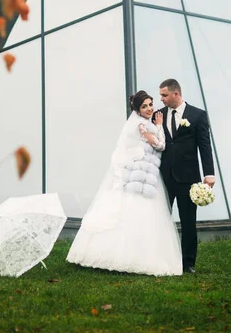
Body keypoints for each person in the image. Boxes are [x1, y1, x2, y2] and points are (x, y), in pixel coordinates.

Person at [67, 90, 182, 276]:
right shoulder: (141, 126)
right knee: (138, 213)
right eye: (144, 106)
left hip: (145, 176)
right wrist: (159, 125)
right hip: (140, 177)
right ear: (137, 109)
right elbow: (160, 145)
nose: (149, 109)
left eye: (150, 104)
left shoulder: (142, 124)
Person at [156, 78, 215, 274]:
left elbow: (205, 146)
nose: (161, 99)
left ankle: (188, 263)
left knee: (188, 221)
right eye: (160, 96)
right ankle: (162, 259)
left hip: (188, 178)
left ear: (176, 94)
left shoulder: (197, 115)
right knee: (160, 219)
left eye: (164, 95)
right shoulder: (158, 115)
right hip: (163, 177)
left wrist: (209, 174)